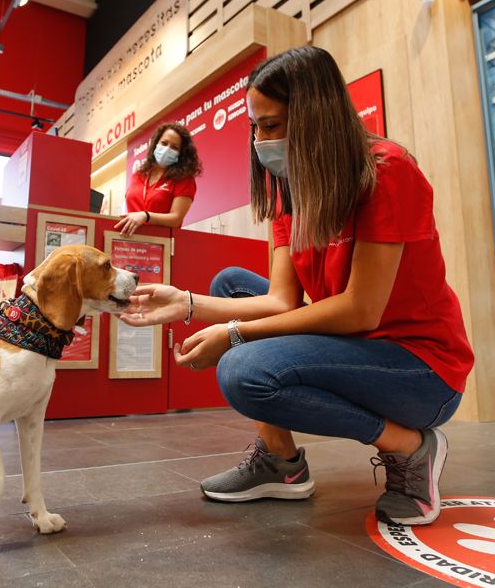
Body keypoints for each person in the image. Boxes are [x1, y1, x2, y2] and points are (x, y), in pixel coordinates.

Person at [122, 46, 474, 526]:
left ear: (315, 116)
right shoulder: (292, 189)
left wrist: (233, 335)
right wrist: (186, 303)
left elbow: (360, 311)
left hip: (418, 368)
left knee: (243, 370)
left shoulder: (387, 172)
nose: (260, 140)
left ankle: (411, 447)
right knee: (230, 285)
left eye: (271, 125)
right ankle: (281, 464)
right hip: (355, 348)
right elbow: (281, 300)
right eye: (255, 127)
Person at [114, 123, 202, 236]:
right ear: (156, 144)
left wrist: (146, 216)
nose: (167, 149)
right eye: (164, 143)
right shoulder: (138, 175)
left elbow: (176, 219)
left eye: (174, 147)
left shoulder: (184, 179)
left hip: (160, 244)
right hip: (129, 240)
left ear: (181, 154)